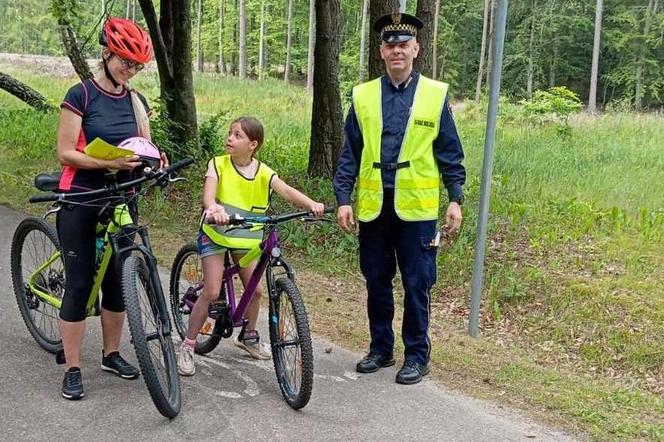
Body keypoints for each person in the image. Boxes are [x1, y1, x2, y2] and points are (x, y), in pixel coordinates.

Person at [333, 12, 466, 385]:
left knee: (416, 282)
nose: (397, 51)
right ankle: (381, 349)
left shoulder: (434, 95)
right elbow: (350, 153)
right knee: (376, 279)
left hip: (417, 211)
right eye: (390, 45)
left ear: (416, 49)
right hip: (375, 207)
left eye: (403, 45)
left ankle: (417, 356)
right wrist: (344, 197)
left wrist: (455, 198)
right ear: (381, 51)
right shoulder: (362, 96)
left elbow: (449, 152)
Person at [56, 17, 167, 400]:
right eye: (124, 61)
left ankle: (112, 353)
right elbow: (66, 152)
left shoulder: (136, 101)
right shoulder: (80, 95)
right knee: (80, 282)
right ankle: (72, 367)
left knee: (119, 280)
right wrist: (107, 163)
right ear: (106, 54)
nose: (129, 70)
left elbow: (145, 145)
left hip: (123, 198)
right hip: (82, 198)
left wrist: (156, 161)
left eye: (136, 65)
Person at [177, 117, 325, 376]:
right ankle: (188, 345)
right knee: (211, 291)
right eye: (230, 133)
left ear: (252, 144)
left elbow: (287, 191)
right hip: (216, 234)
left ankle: (248, 335)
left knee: (255, 291)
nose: (229, 139)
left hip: (245, 240)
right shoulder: (218, 164)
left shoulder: (263, 172)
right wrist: (214, 207)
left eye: (237, 135)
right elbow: (208, 196)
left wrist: (311, 204)